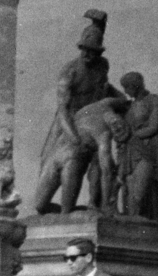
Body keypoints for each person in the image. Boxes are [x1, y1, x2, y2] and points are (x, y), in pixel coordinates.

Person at [33, 13, 124, 215]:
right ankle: (72, 209)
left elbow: (105, 88)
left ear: (98, 53)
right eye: (84, 50)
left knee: (94, 166)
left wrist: (122, 99)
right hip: (69, 121)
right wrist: (74, 138)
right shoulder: (70, 72)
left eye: (92, 51)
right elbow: (63, 110)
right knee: (42, 189)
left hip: (92, 120)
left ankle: (93, 206)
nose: (87, 55)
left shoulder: (102, 65)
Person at [119, 72, 158, 226]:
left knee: (140, 193)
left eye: (127, 88)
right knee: (129, 194)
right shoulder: (128, 106)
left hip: (146, 150)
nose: (125, 92)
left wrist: (131, 134)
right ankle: (134, 231)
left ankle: (143, 230)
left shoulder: (153, 100)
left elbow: (154, 127)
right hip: (129, 153)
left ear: (135, 86)